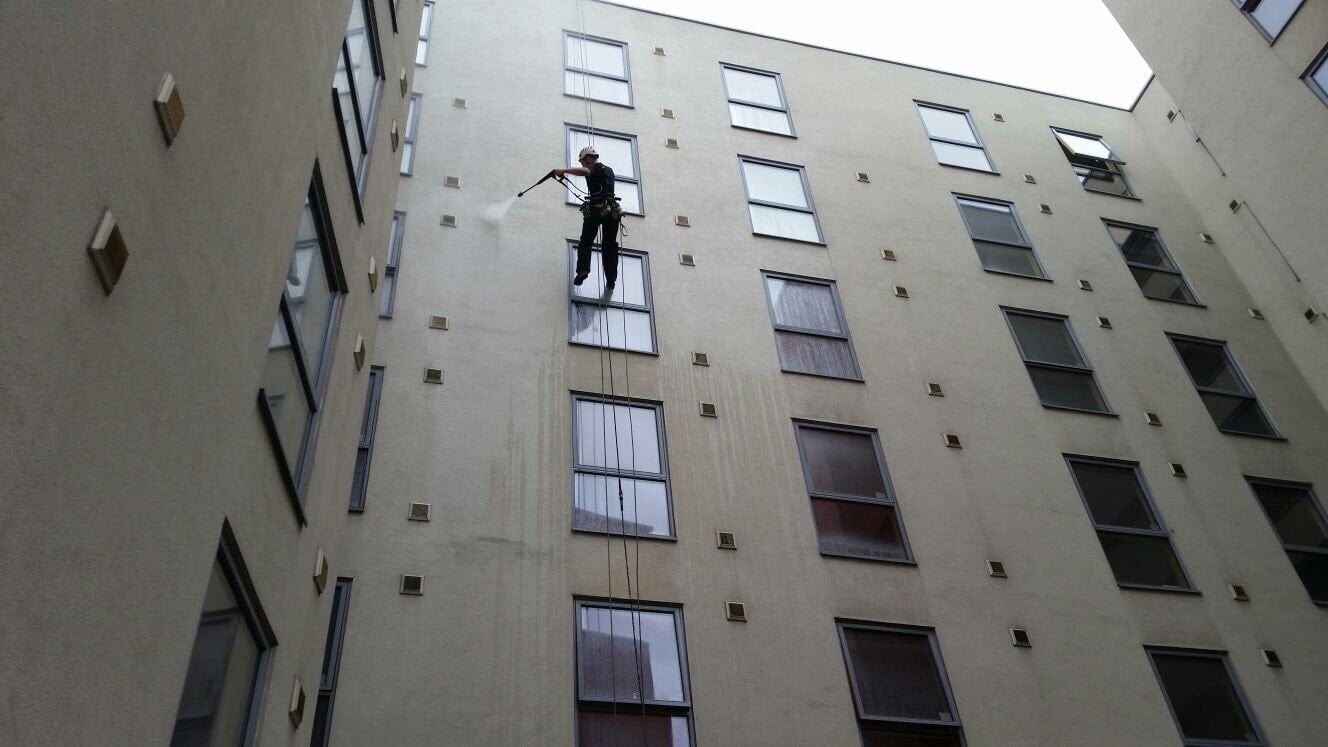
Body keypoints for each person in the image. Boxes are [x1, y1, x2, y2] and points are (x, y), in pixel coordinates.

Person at [555, 146, 621, 289]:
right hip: (612, 212)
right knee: (609, 245)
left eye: (583, 161)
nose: (583, 165)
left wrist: (564, 171)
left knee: (585, 242)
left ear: (589, 158)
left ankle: (583, 270)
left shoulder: (595, 168)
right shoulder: (609, 170)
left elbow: (585, 171)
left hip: (597, 210)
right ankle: (611, 279)